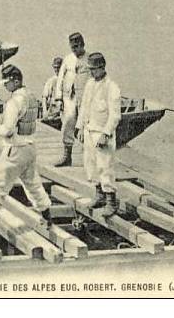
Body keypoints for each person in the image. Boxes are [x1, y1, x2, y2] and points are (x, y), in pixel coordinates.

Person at [0, 65, 52, 238]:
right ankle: (47, 218)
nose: (5, 86)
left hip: (15, 150)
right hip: (30, 147)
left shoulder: (13, 102)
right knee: (33, 185)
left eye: (7, 82)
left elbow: (8, 130)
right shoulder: (31, 97)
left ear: (16, 81)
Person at [76, 53, 121, 217]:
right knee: (91, 165)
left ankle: (111, 201)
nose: (91, 73)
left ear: (102, 67)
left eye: (94, 69)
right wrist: (80, 127)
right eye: (90, 70)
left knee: (105, 166)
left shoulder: (112, 87)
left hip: (102, 134)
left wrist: (106, 133)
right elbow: (84, 108)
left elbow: (115, 115)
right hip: (89, 130)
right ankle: (99, 195)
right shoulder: (89, 84)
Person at [52, 32, 90, 167]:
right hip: (69, 97)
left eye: (77, 46)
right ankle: (67, 156)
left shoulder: (89, 59)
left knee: (87, 126)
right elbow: (60, 78)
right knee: (68, 123)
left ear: (82, 44)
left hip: (85, 98)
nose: (75, 49)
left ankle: (90, 159)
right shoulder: (68, 59)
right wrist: (58, 99)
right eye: (72, 47)